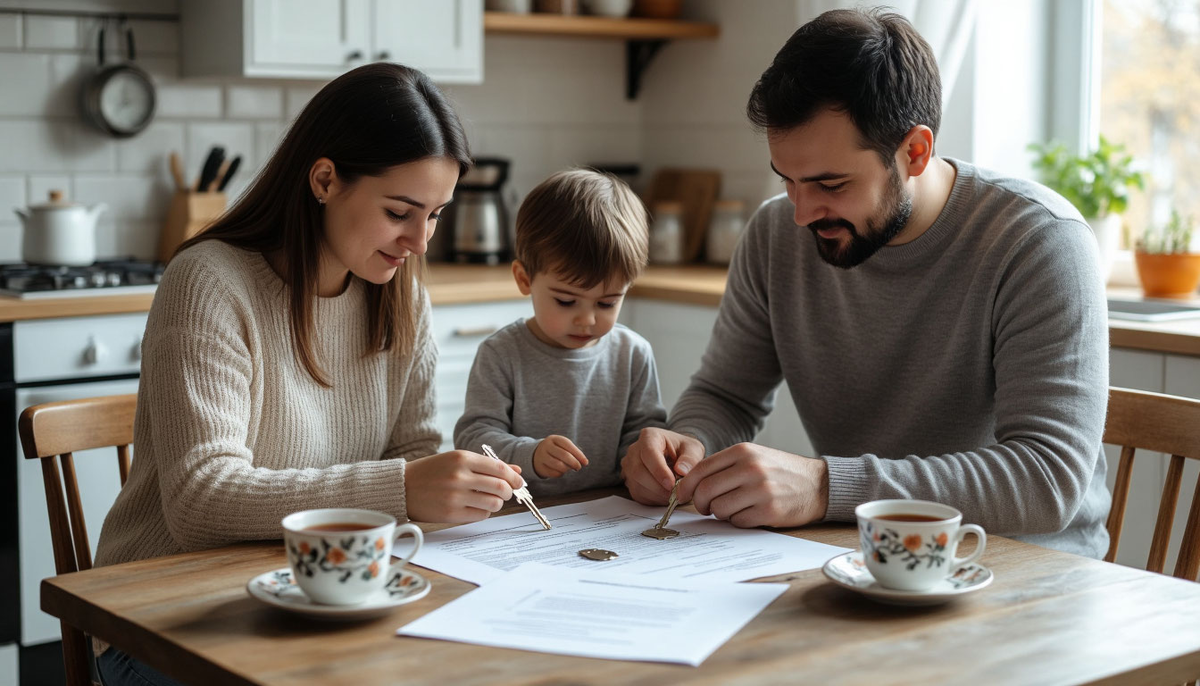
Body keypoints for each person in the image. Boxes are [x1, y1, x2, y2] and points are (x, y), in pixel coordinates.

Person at [621, 7, 1111, 558]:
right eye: (788, 180)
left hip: (1029, 576)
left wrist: (825, 486)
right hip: (865, 557)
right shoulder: (774, 234)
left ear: (915, 152)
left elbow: (1047, 479)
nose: (802, 212)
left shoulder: (1039, 242)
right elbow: (725, 394)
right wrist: (688, 446)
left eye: (830, 183)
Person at [93, 63, 524, 685]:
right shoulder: (210, 284)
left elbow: (412, 454)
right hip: (167, 622)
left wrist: (452, 490)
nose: (420, 242)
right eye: (401, 211)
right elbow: (200, 500)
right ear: (325, 179)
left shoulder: (402, 297)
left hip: (329, 597)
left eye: (434, 215)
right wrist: (404, 489)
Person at [454, 169, 667, 496]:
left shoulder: (633, 353)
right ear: (524, 279)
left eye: (607, 303)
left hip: (608, 511)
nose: (587, 320)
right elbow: (474, 437)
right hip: (522, 514)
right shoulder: (501, 354)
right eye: (566, 301)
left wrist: (650, 471)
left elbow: (640, 436)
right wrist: (531, 455)